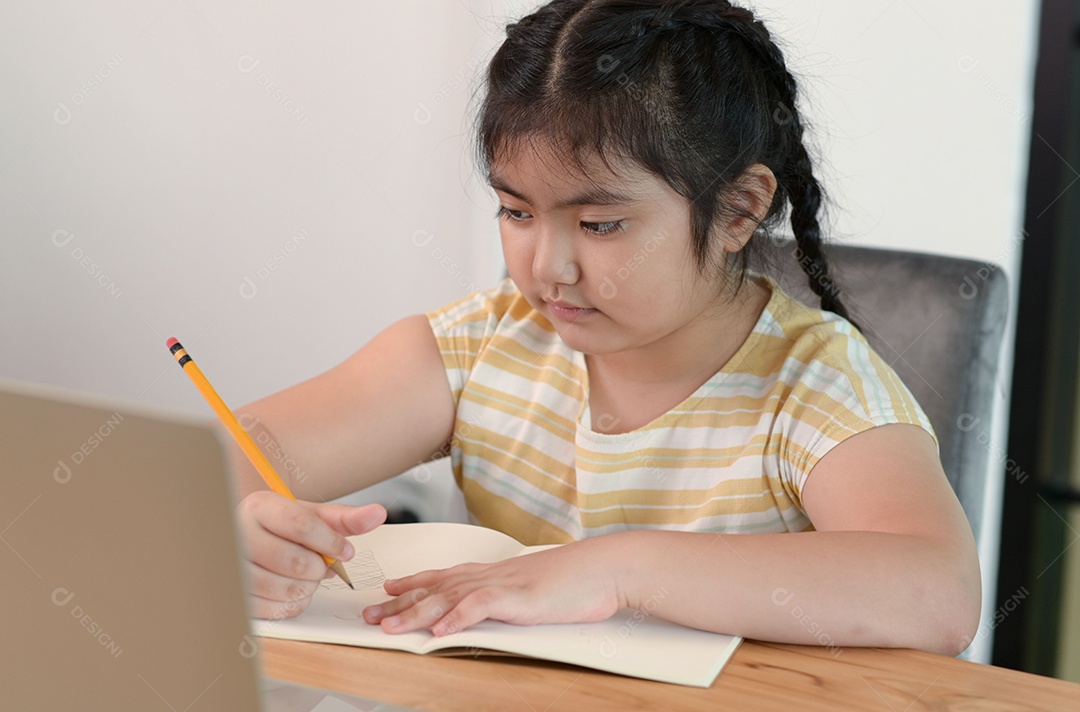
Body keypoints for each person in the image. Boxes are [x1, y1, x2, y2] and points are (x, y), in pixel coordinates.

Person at [231, 0, 981, 655]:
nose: (548, 267)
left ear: (740, 209)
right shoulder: (486, 345)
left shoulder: (813, 386)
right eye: (517, 211)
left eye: (600, 223)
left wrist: (616, 569)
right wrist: (242, 524)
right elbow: (214, 467)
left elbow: (937, 593)